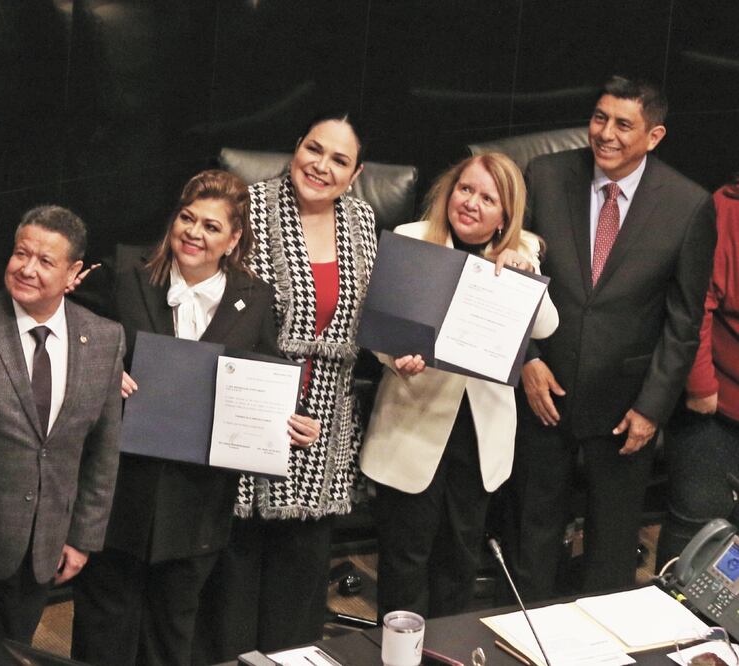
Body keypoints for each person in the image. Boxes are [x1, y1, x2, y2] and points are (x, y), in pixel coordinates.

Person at [69, 170, 319, 666]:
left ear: (233, 240)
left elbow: (268, 379)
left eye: (210, 226)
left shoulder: (256, 299)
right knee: (104, 628)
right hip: (120, 491)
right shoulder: (125, 273)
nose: (193, 233)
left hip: (197, 501)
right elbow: (67, 330)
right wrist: (100, 368)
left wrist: (291, 423)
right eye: (187, 218)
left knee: (172, 630)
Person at [507, 75, 717, 600]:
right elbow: (512, 279)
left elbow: (683, 320)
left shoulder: (688, 205)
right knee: (530, 538)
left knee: (611, 553)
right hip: (542, 392)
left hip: (626, 407)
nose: (606, 133)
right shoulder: (547, 175)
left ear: (654, 135)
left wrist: (651, 408)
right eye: (600, 117)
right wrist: (527, 359)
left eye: (624, 124)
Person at [197, 113, 377, 660]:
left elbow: (371, 317)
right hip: (246, 408)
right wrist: (269, 401)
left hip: (325, 423)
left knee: (299, 582)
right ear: (296, 147)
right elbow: (210, 303)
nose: (321, 166)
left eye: (339, 160)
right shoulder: (246, 208)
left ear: (356, 173)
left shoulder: (364, 221)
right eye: (313, 149)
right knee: (236, 574)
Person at [359, 152, 558, 619]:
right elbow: (377, 331)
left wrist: (522, 268)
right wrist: (395, 359)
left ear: (505, 215)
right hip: (413, 421)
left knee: (458, 560)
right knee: (405, 561)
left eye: (487, 198)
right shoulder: (411, 240)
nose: (470, 202)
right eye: (465, 189)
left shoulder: (520, 252)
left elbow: (547, 326)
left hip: (477, 432)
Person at [0, 206, 125, 666]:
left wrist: (83, 536)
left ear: (73, 273)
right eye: (21, 253)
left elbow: (103, 450)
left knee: (13, 658)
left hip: (42, 550)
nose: (27, 268)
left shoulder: (105, 339)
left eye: (45, 261)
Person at [656, 175, 739, 569]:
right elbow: (694, 309)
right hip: (716, 403)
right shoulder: (725, 211)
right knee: (697, 524)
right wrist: (702, 386)